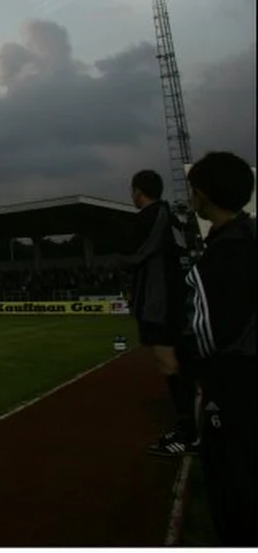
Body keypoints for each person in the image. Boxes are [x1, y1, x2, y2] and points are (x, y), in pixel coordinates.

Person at [180, 151, 256, 546]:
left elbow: (207, 335)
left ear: (203, 194)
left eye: (194, 188)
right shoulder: (250, 236)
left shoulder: (220, 255)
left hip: (233, 384)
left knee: (232, 491)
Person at [117, 169, 196, 456]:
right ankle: (192, 424)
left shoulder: (152, 216)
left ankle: (188, 430)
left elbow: (132, 254)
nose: (132, 196)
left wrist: (121, 257)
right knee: (180, 359)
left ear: (139, 191)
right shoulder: (175, 216)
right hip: (176, 297)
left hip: (161, 301)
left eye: (132, 190)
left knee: (168, 360)